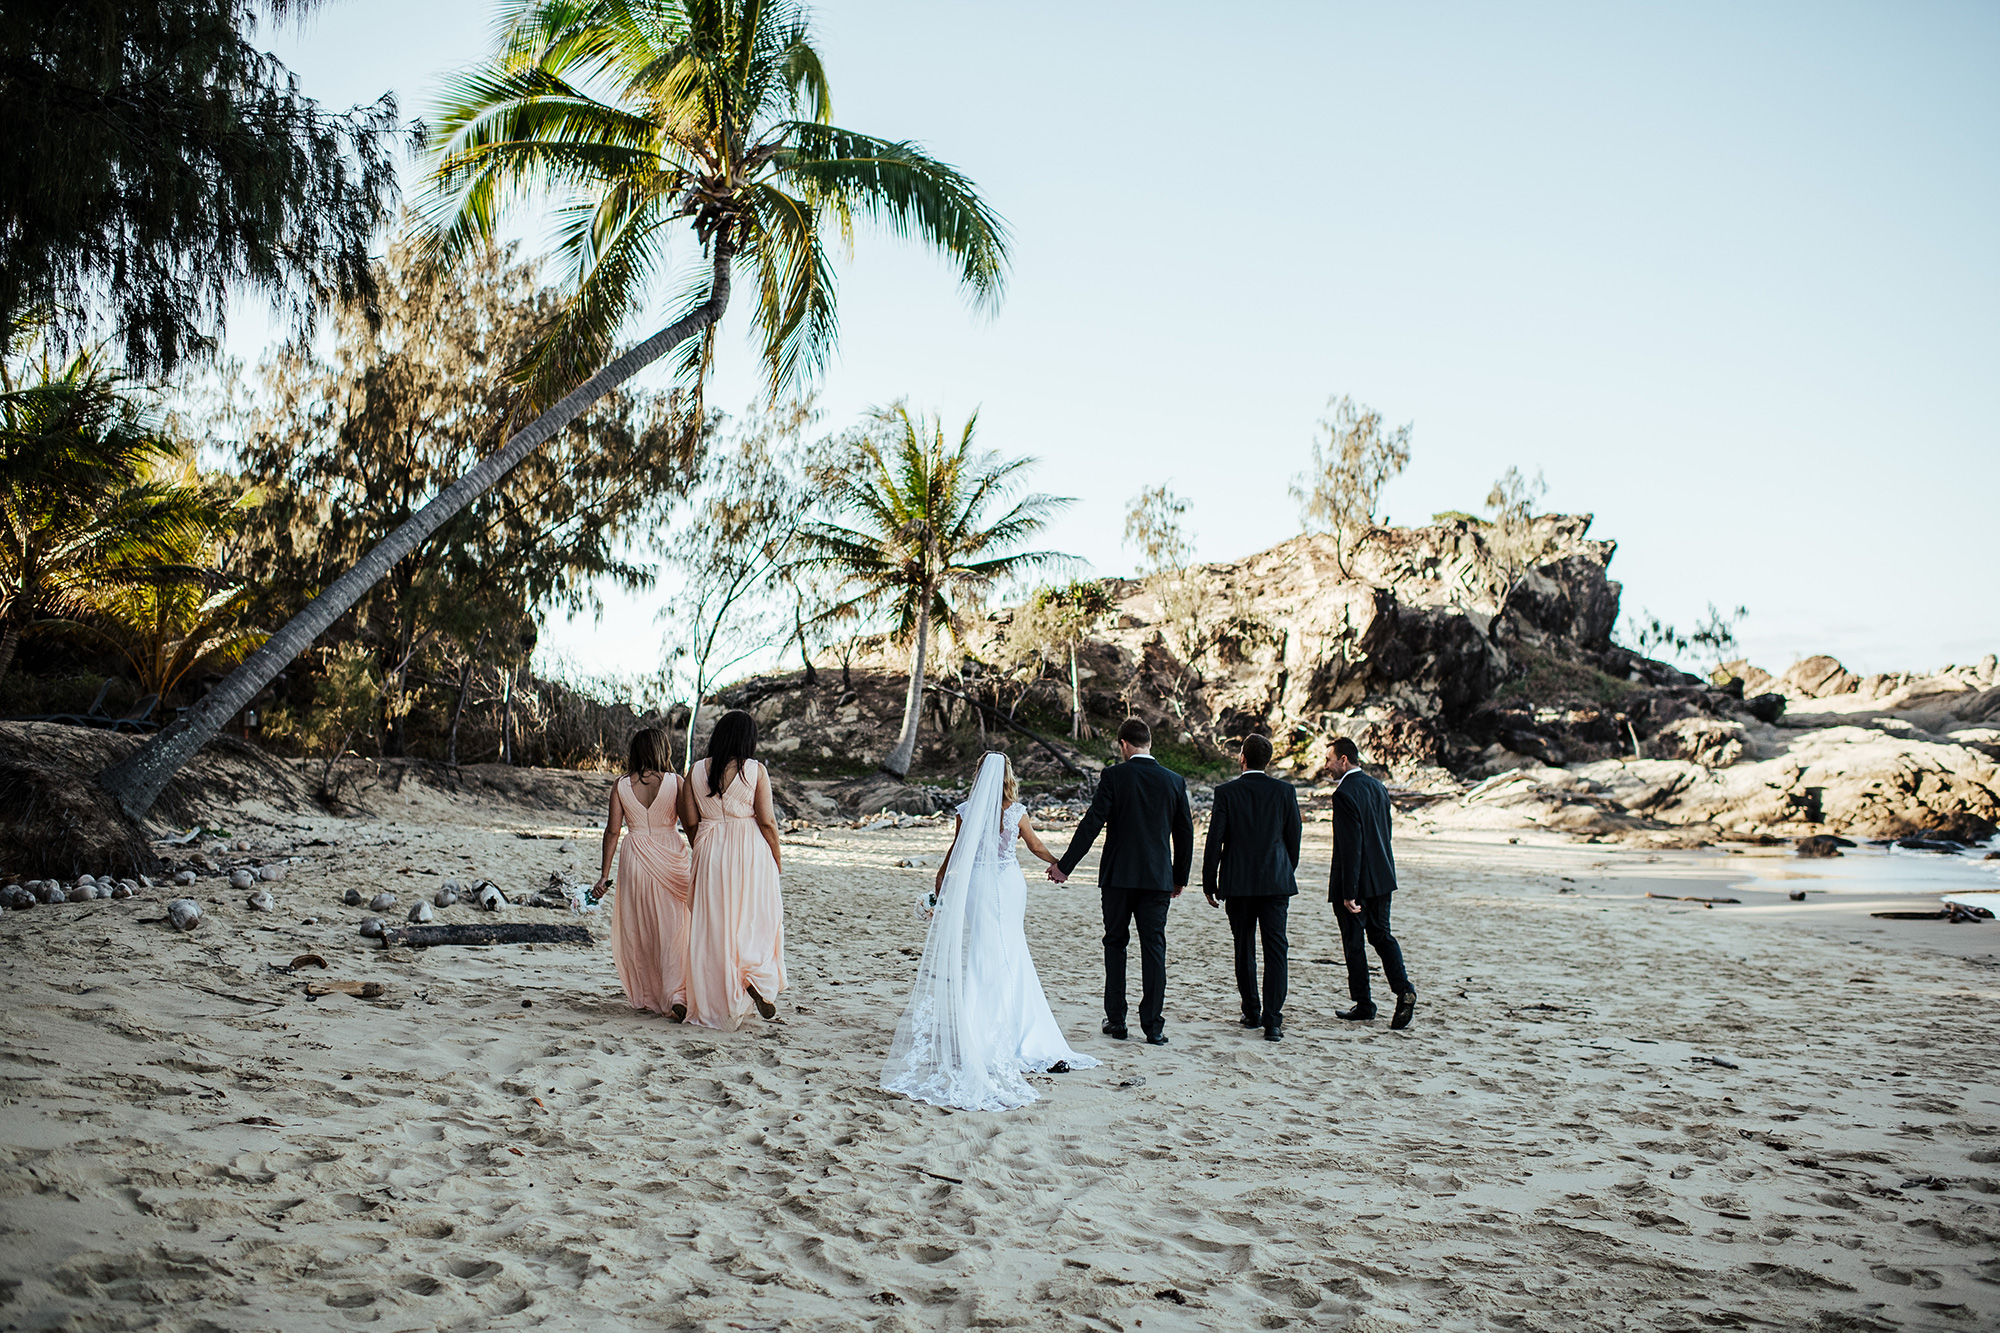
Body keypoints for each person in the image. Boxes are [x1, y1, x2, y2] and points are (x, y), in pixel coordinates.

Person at [882, 752, 1100, 1111]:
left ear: (980, 774)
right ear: (1009, 775)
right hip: (1008, 881)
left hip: (978, 884)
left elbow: (957, 850)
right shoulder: (1016, 811)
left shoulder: (967, 810)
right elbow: (1034, 846)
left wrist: (941, 878)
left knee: (985, 950)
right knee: (1011, 950)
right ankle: (1013, 1029)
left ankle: (982, 1029)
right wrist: (1058, 863)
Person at [1049, 717, 1194, 1046]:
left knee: (1115, 944)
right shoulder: (1174, 781)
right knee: (1154, 948)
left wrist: (1065, 866)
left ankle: (1116, 1021)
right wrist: (1179, 877)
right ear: (1149, 744)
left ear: (1124, 745)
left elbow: (1092, 823)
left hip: (1118, 877)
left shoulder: (1114, 776)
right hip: (1158, 879)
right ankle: (1153, 1027)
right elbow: (1185, 834)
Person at [682, 710, 787, 1031]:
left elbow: (688, 820)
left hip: (709, 844)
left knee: (714, 926)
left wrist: (702, 845)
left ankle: (719, 998)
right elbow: (767, 820)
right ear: (748, 738)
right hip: (750, 849)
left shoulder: (695, 771)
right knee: (755, 919)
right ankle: (752, 977)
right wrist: (776, 856)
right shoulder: (755, 770)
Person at [1200, 733, 1301, 1042]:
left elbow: (1215, 839)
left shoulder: (1227, 792)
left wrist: (1209, 881)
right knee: (1276, 950)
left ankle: (1251, 1011)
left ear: (1242, 757)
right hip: (1276, 882)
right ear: (1266, 760)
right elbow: (1294, 837)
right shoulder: (1285, 791)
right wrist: (1285, 869)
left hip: (1238, 883)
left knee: (1244, 947)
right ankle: (1273, 1021)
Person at [596, 727, 694, 1020]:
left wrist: (604, 875)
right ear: (662, 749)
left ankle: (654, 996)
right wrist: (702, 854)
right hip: (670, 854)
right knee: (674, 928)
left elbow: (613, 831)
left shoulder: (621, 785)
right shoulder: (675, 782)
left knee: (644, 929)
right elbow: (689, 826)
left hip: (635, 855)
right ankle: (676, 994)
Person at [1327, 737, 1415, 1029]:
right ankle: (1404, 990)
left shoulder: (1343, 793)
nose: (1325, 766)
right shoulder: (1378, 786)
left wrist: (1349, 891)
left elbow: (1350, 846)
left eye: (1329, 760)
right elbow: (1384, 833)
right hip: (1383, 876)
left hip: (1357, 882)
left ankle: (1364, 1004)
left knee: (1354, 944)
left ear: (1344, 760)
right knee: (1382, 936)